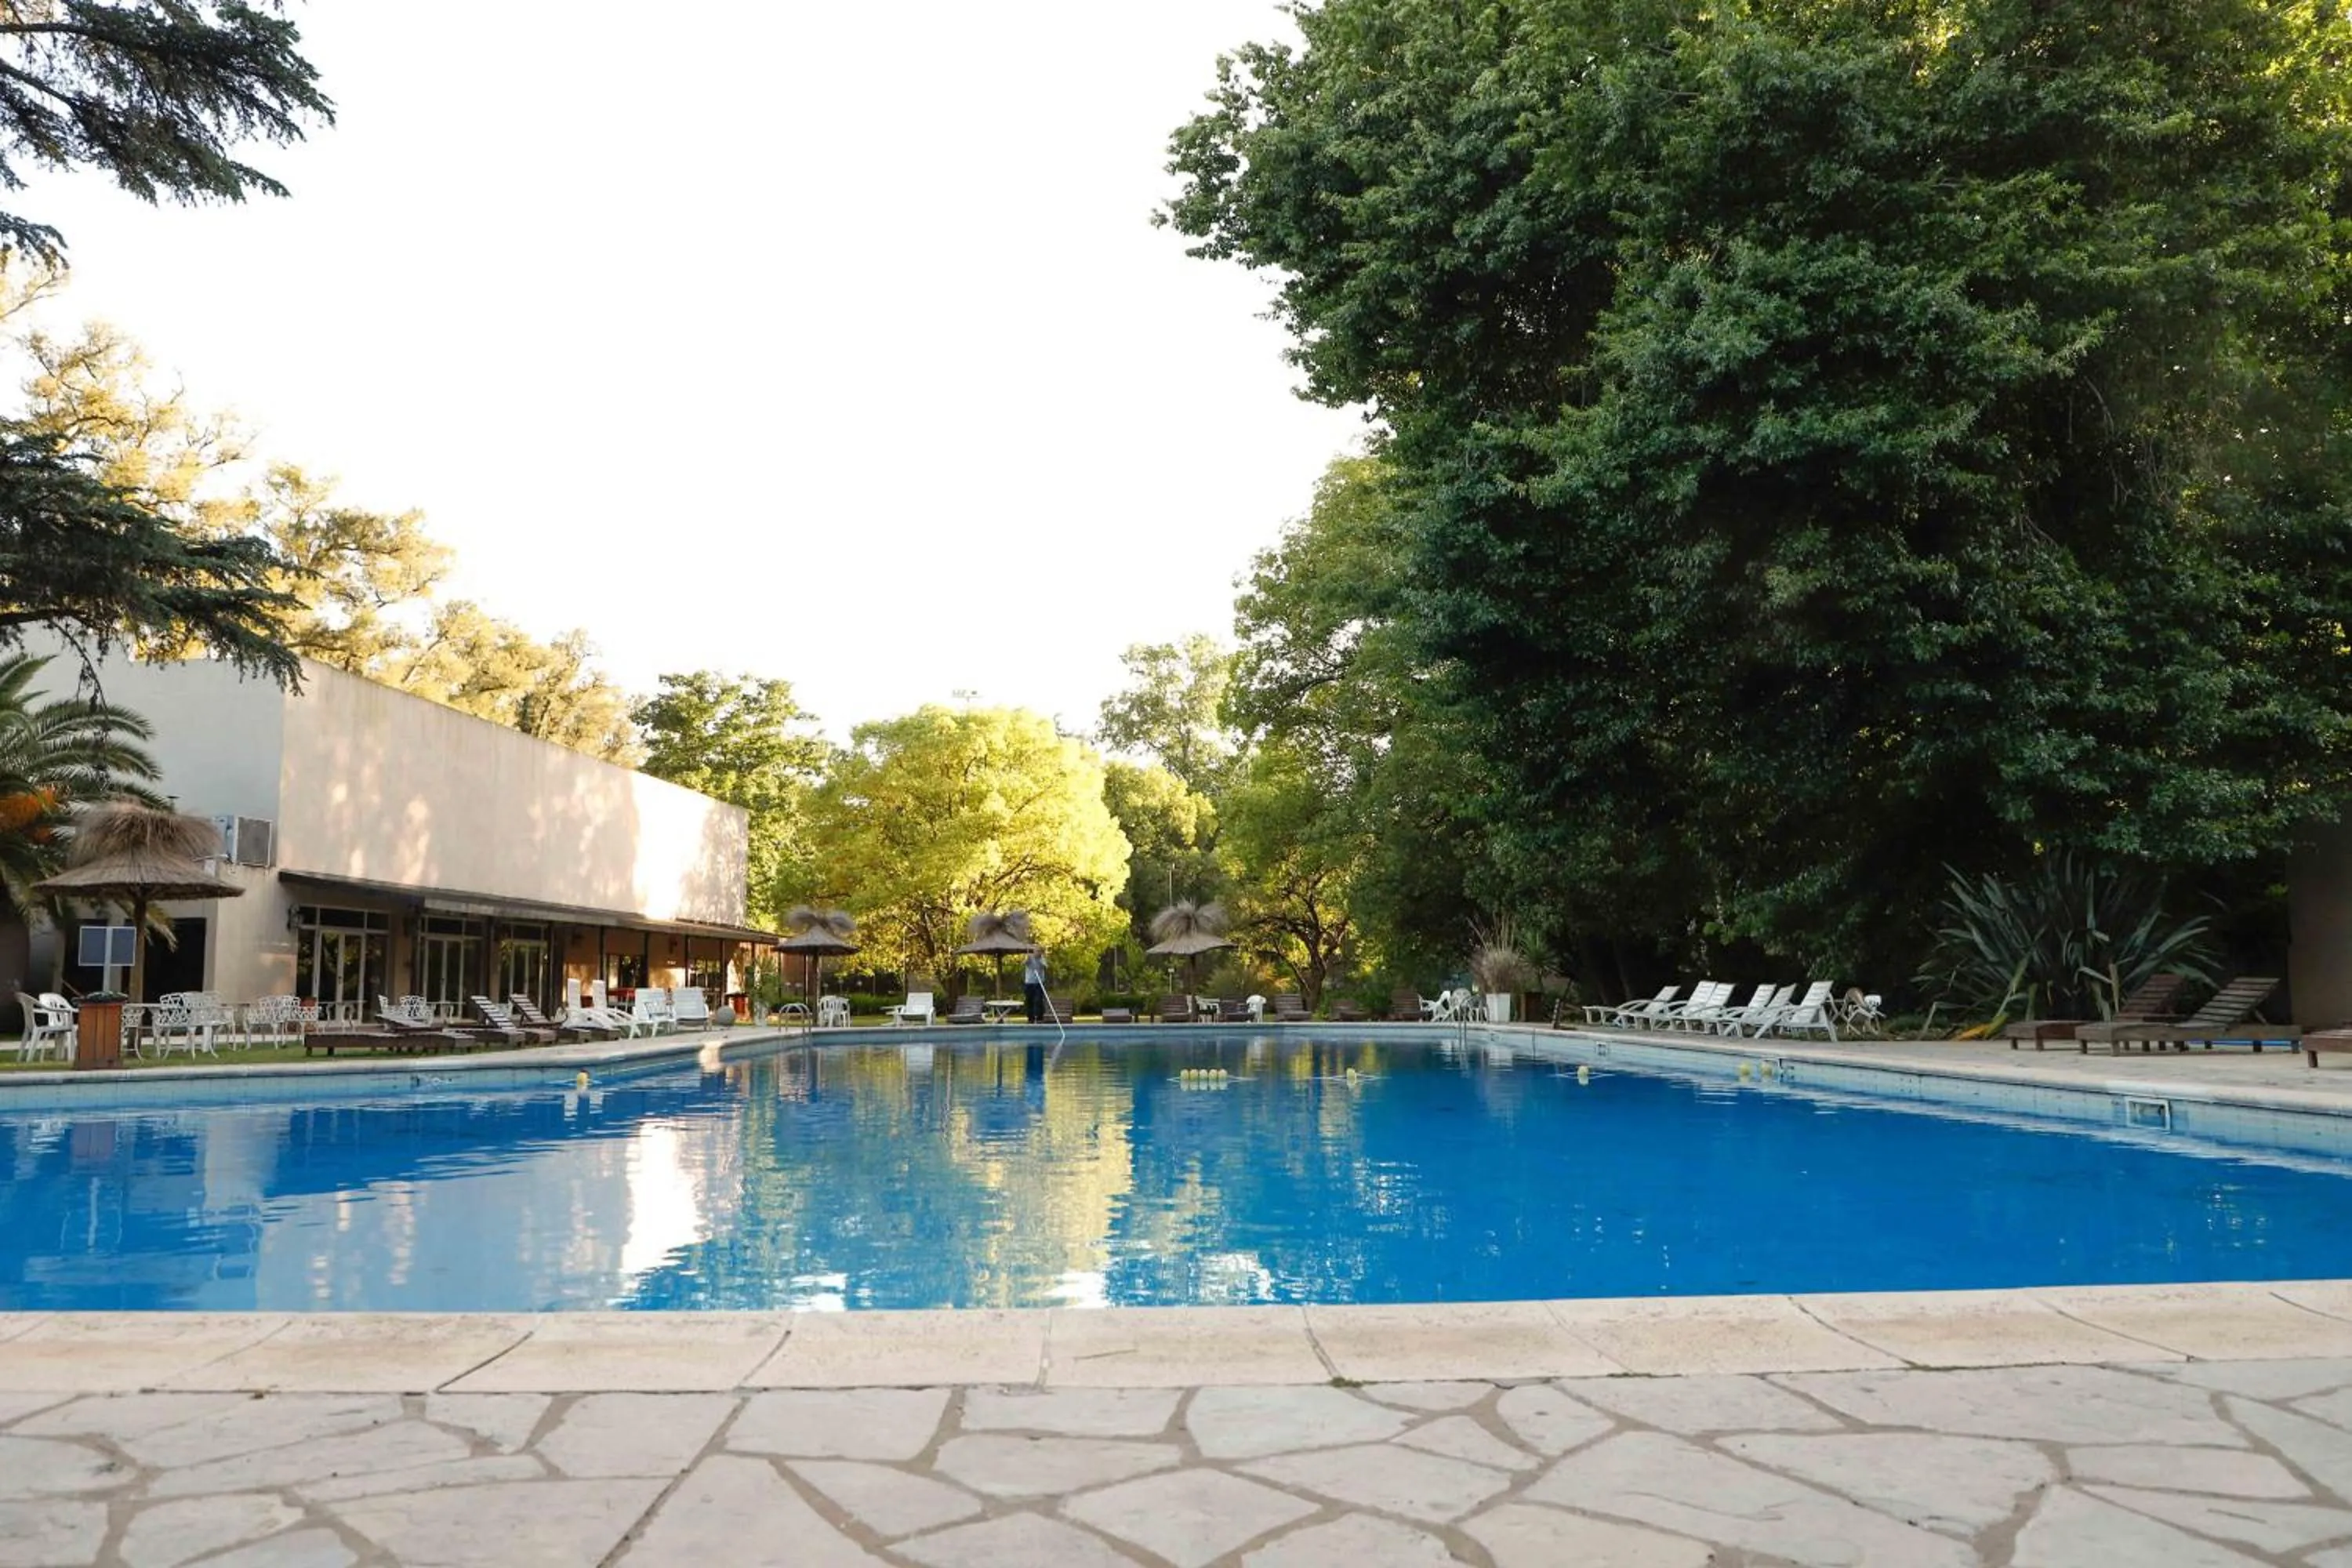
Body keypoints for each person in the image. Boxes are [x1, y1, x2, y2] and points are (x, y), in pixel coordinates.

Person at [1022, 948, 1048, 1024]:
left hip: (1039, 983)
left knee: (1038, 1000)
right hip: (1029, 983)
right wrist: (1027, 958)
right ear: (1033, 952)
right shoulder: (1029, 958)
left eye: (1039, 951)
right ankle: (1031, 1018)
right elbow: (1024, 963)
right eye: (1036, 951)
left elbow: (1046, 966)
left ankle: (1039, 1018)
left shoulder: (1042, 959)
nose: (1037, 953)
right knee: (1029, 1000)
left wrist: (1041, 960)